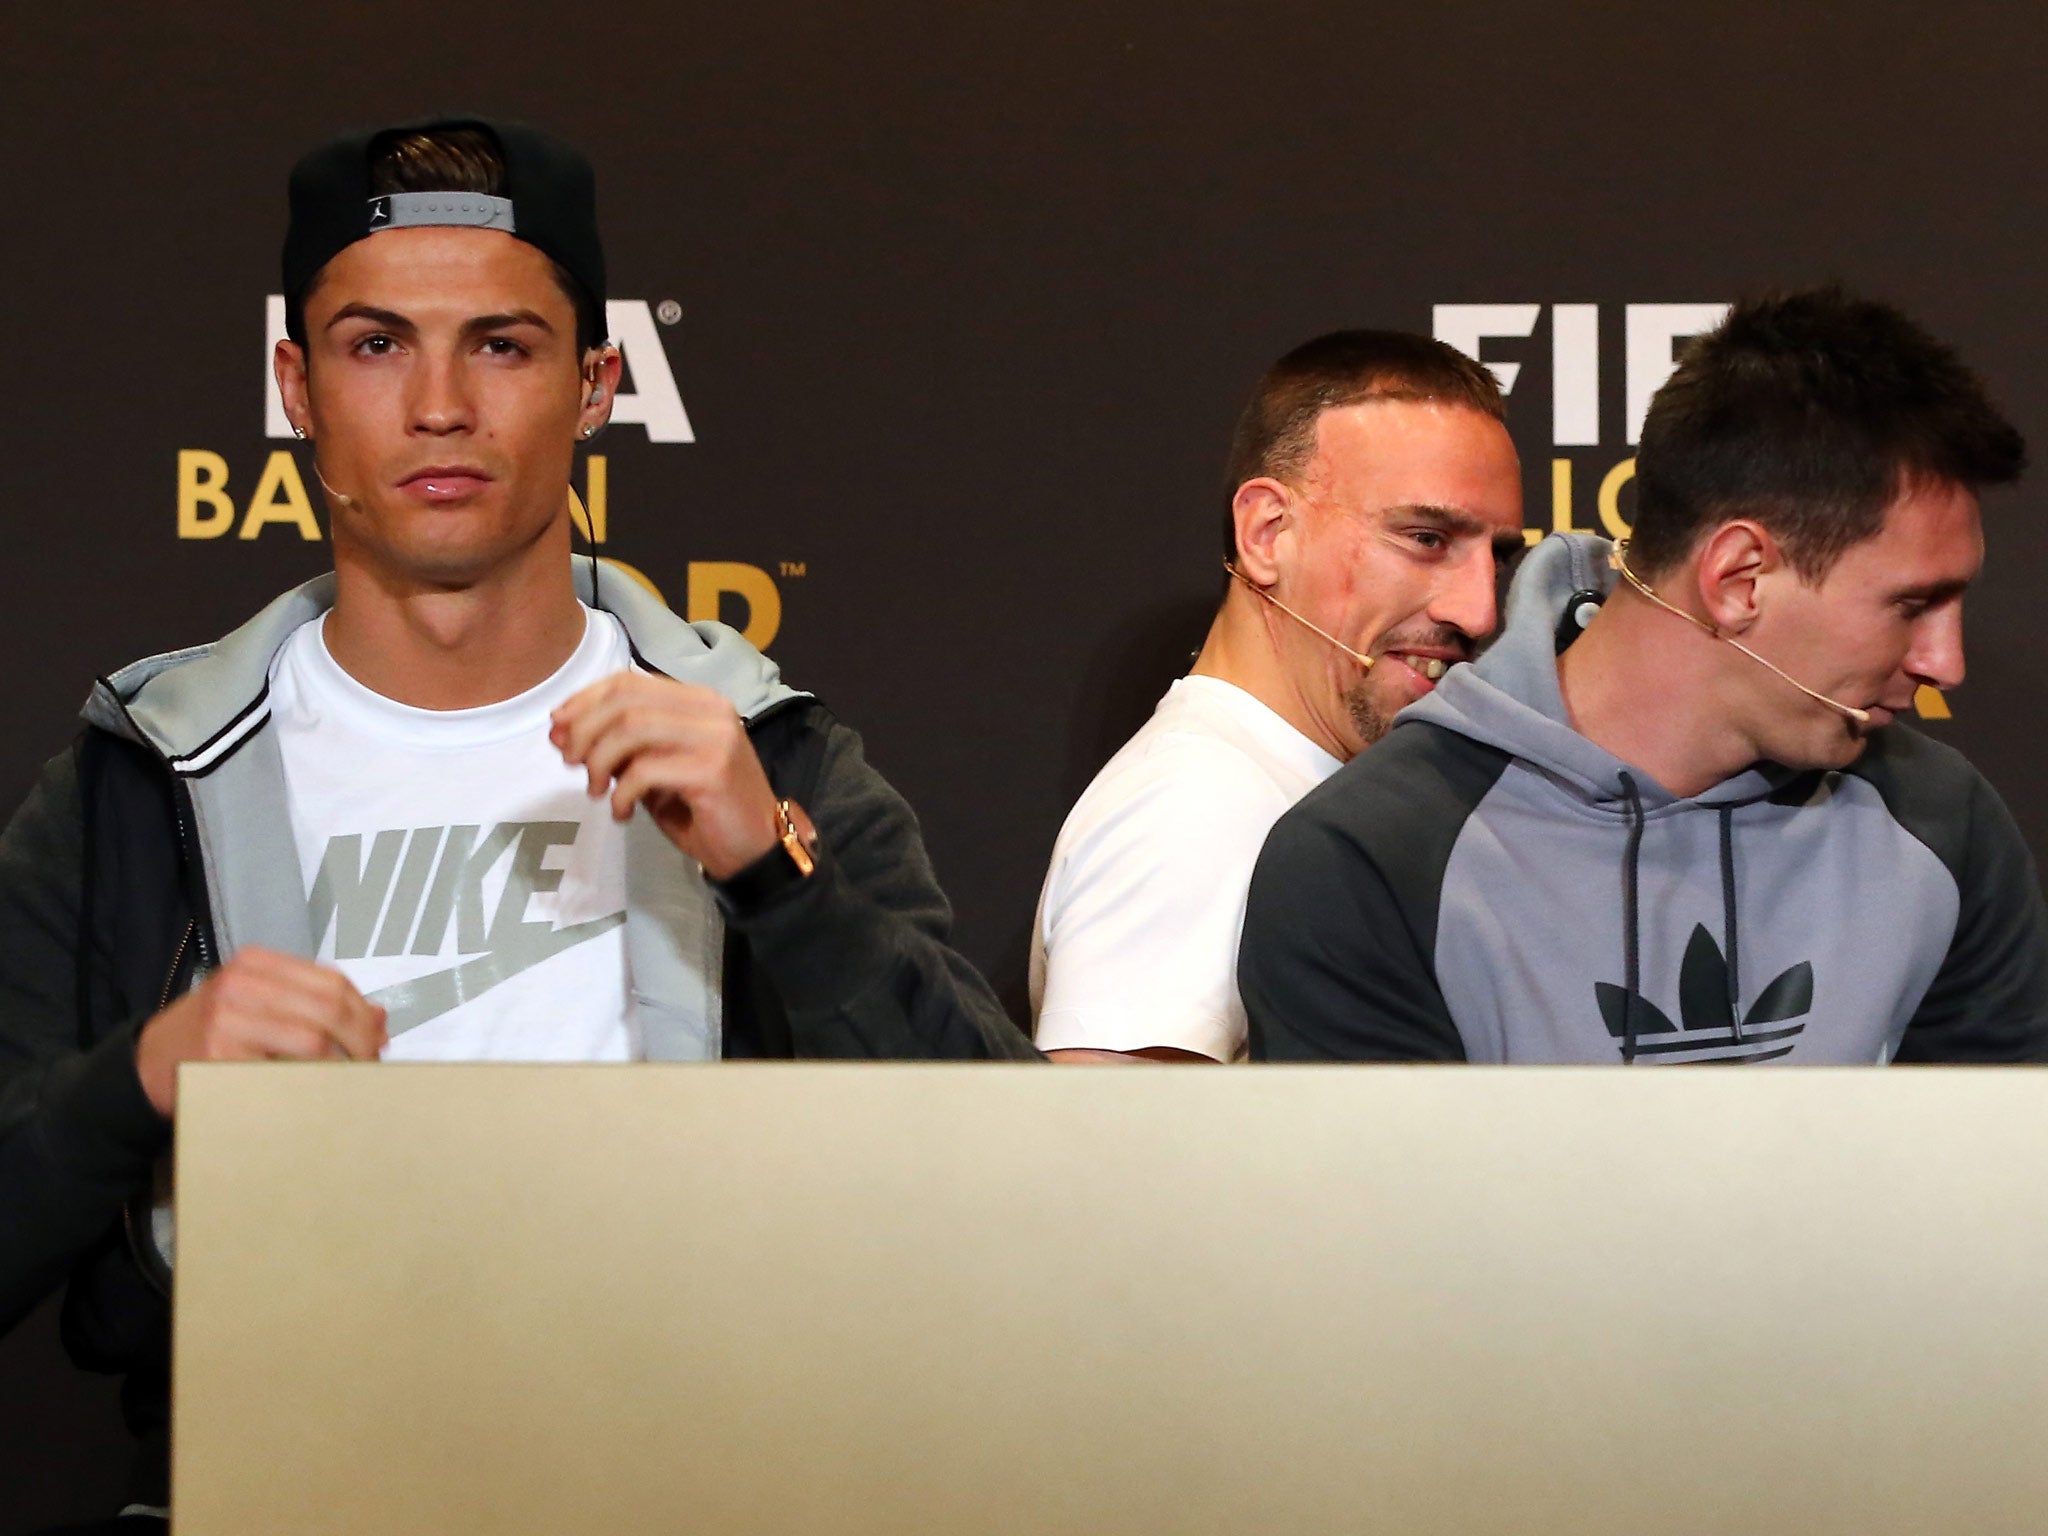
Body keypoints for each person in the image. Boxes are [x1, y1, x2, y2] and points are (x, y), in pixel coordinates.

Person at [0, 114, 1035, 1531]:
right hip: (261, 1487)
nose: (439, 406)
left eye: (501, 345)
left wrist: (780, 876)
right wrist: (144, 1076)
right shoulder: (136, 781)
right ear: (295, 386)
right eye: (376, 345)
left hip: (693, 1488)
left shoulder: (765, 751)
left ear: (595, 384)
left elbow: (1013, 1194)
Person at [1241, 288, 2048, 1065]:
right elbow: (1389, 1170)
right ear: (1739, 579)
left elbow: (1989, 1156)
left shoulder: (1941, 823)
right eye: (1912, 605)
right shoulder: (1371, 861)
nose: (1944, 663)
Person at [1030, 332, 1524, 1062]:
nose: (1479, 612)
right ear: (1267, 533)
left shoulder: (1277, 793)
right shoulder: (1197, 810)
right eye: (1426, 538)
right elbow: (1107, 1135)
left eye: (1498, 556)